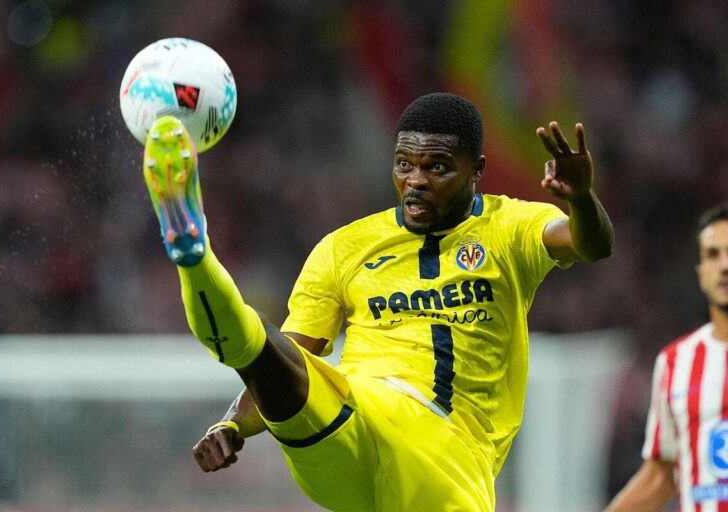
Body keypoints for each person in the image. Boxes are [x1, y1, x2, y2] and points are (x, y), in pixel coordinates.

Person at [142, 93, 613, 511]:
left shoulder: (510, 227)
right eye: (404, 164)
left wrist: (582, 199)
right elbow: (289, 359)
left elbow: (591, 244)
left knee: (264, 347)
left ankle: (196, 261)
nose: (416, 181)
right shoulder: (344, 248)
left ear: (477, 170)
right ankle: (194, 256)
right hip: (351, 420)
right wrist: (230, 425)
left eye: (437, 167)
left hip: (445, 455)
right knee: (263, 345)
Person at [605, 203, 728, 512]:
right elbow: (661, 474)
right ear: (700, 273)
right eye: (713, 255)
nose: (724, 265)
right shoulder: (676, 361)